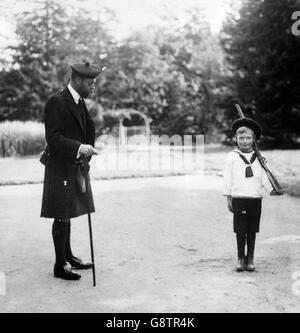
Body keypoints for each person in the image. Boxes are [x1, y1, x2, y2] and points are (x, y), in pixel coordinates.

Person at [40, 61, 103, 280]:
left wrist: (87, 152)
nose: (93, 85)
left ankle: (68, 256)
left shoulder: (79, 101)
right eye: (90, 81)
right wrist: (79, 147)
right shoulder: (56, 101)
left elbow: (87, 127)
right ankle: (60, 266)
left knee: (68, 213)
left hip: (75, 164)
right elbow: (54, 138)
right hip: (59, 166)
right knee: (61, 215)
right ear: (76, 80)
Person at [223, 117, 283, 272]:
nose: (244, 141)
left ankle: (250, 258)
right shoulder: (232, 157)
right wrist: (228, 196)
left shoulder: (259, 159)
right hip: (238, 198)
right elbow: (227, 177)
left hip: (255, 198)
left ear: (253, 139)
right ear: (235, 138)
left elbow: (264, 177)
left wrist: (272, 189)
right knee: (240, 229)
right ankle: (240, 258)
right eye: (241, 138)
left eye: (248, 138)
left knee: (252, 229)